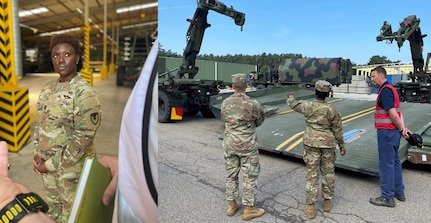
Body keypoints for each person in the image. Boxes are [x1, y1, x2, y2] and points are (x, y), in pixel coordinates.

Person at [32, 33, 102, 222]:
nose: (61, 60)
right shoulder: (48, 89)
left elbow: (82, 140)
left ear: (77, 58)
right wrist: (37, 154)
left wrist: (49, 165)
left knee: (74, 216)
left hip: (72, 173)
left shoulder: (84, 94)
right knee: (53, 211)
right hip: (47, 170)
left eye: (67, 54)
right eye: (56, 55)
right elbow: (40, 123)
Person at [287, 80, 346, 219]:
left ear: (315, 92)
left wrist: (290, 96)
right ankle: (327, 203)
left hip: (311, 144)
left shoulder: (307, 106)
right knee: (328, 173)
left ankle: (311, 207)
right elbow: (338, 130)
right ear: (328, 94)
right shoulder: (333, 110)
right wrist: (342, 146)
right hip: (328, 145)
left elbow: (293, 104)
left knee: (312, 174)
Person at [221, 73, 265, 221]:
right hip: (247, 145)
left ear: (232, 86)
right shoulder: (253, 103)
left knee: (231, 175)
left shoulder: (225, 102)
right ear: (246, 85)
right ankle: (249, 209)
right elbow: (259, 121)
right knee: (250, 176)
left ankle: (231, 204)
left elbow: (224, 119)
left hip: (230, 144)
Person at [369, 66, 410, 208]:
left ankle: (387, 197)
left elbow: (393, 114)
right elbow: (399, 112)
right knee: (395, 161)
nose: (372, 79)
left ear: (381, 76)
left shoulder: (385, 92)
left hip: (386, 132)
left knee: (386, 164)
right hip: (394, 133)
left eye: (373, 76)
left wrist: (401, 128)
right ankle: (399, 192)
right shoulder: (392, 89)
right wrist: (402, 129)